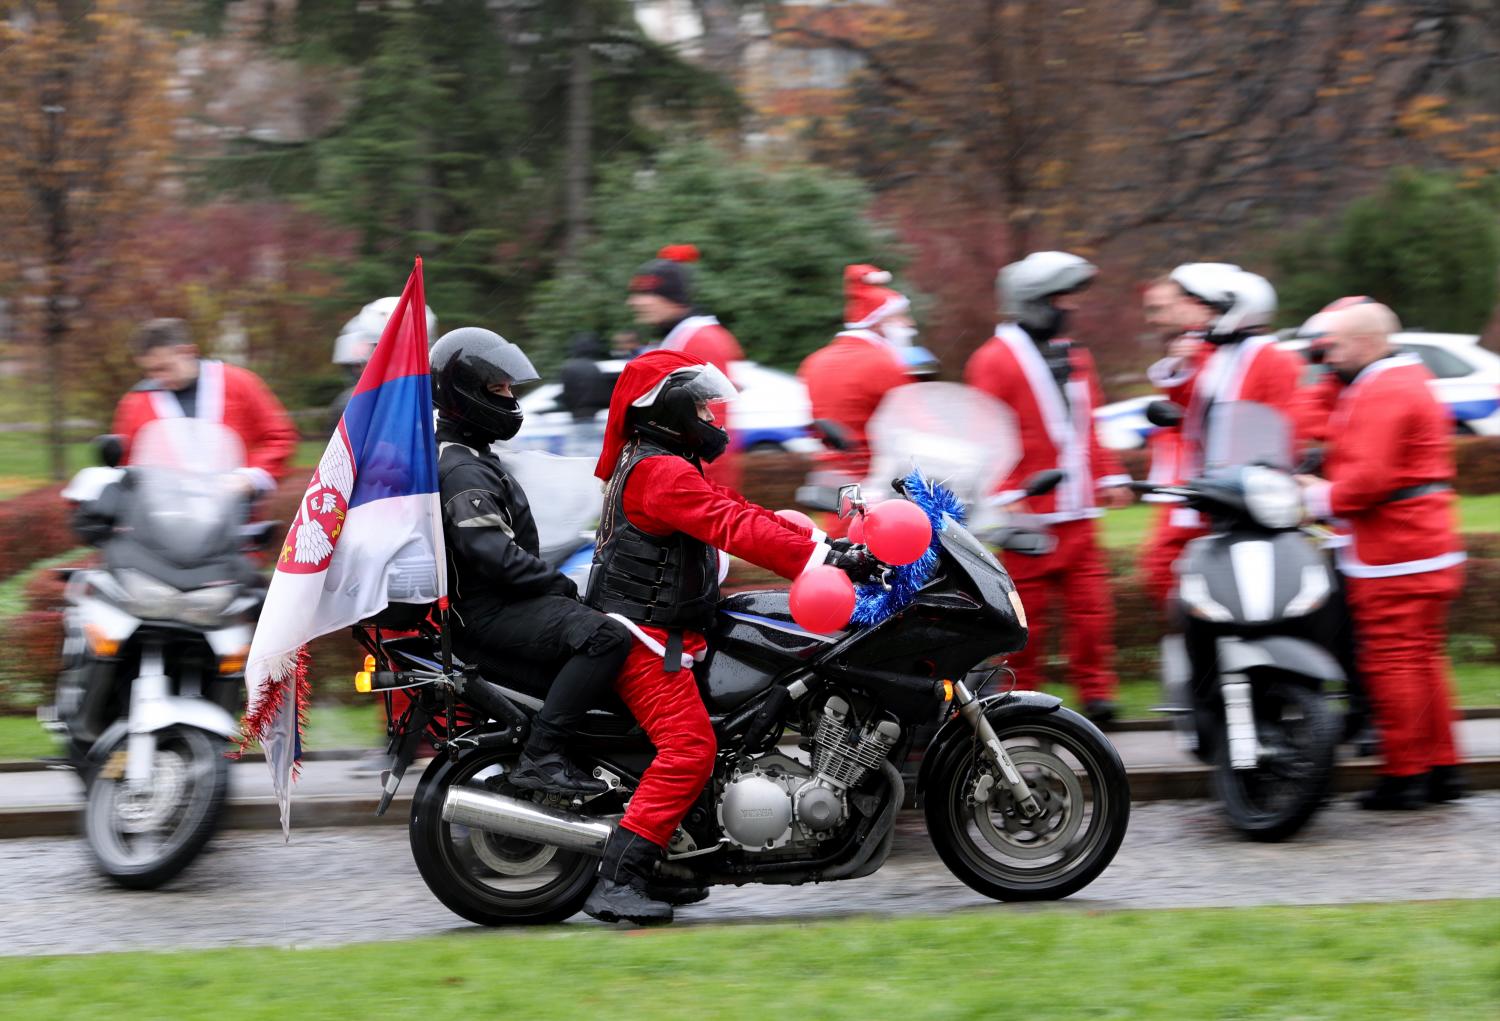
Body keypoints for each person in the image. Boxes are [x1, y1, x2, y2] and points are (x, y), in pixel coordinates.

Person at [582, 350, 877, 924]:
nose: (709, 416)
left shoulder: (663, 463)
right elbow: (732, 527)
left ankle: (676, 860)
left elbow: (734, 508)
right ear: (666, 411)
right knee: (690, 748)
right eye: (696, 405)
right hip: (645, 638)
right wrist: (824, 560)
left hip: (670, 628)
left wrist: (828, 545)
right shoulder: (658, 471)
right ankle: (618, 878)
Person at [431, 327, 633, 796]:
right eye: (497, 389)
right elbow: (494, 555)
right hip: (488, 611)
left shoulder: (472, 454)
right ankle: (542, 755)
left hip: (492, 603)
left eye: (509, 388)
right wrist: (561, 586)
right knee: (606, 636)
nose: (509, 399)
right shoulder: (462, 468)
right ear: (464, 395)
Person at [1294, 301, 1467, 809]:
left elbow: (1369, 479)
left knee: (1392, 661)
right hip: (1423, 547)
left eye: (1336, 347)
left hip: (1396, 551)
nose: (1328, 358)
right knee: (1423, 660)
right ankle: (1441, 769)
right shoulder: (1400, 379)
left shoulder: (1384, 388)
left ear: (1367, 343)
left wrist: (1312, 496)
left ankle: (1404, 775)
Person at [963, 252, 1133, 726]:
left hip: (1078, 514)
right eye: (1059, 300)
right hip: (1025, 514)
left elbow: (1089, 426)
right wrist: (1001, 495)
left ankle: (1099, 695)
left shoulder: (1075, 355)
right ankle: (1021, 698)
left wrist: (1111, 475)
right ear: (1032, 302)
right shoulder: (992, 360)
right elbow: (986, 435)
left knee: (1093, 614)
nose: (1068, 309)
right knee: (1026, 620)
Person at [112, 318, 298, 496]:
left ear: (189, 352)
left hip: (241, 511)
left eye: (164, 368)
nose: (157, 378)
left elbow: (279, 437)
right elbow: (128, 461)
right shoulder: (135, 403)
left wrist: (250, 477)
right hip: (167, 517)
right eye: (149, 371)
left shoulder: (240, 383)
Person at [626, 244, 745, 491]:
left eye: (646, 294)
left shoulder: (700, 340)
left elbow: (712, 427)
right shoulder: (677, 338)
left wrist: (694, 489)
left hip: (696, 487)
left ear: (673, 299)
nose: (635, 302)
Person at [1136, 275, 1214, 608]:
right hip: (1181, 482)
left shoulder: (1204, 350)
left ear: (1190, 304)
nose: (1152, 319)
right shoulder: (1188, 349)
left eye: (1160, 309)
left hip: (1194, 481)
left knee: (1161, 563)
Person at [797, 264, 918, 479]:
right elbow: (915, 422)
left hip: (829, 477)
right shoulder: (884, 364)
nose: (909, 324)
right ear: (878, 321)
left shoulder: (814, 361)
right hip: (874, 480)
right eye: (900, 317)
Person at [558, 332, 614, 422]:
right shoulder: (599, 367)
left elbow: (566, 394)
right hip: (602, 414)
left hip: (578, 415)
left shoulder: (570, 368)